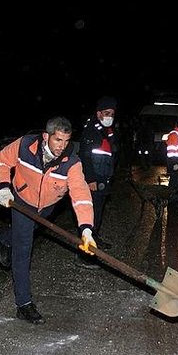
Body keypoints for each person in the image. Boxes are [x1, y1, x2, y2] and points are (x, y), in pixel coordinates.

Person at [0, 116, 97, 325]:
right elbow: (1, 160)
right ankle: (23, 304)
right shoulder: (25, 146)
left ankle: (3, 238)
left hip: (46, 208)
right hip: (21, 201)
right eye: (58, 140)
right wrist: (3, 187)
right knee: (23, 249)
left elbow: (81, 195)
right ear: (46, 136)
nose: (62, 146)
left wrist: (86, 229)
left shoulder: (72, 163)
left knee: (27, 233)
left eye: (67, 141)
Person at [79, 96, 119, 249]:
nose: (110, 117)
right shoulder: (91, 130)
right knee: (90, 212)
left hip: (104, 177)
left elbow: (111, 154)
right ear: (99, 113)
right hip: (94, 179)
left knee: (98, 210)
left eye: (112, 114)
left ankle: (94, 238)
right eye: (107, 113)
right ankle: (85, 249)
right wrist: (90, 179)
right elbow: (85, 155)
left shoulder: (107, 131)